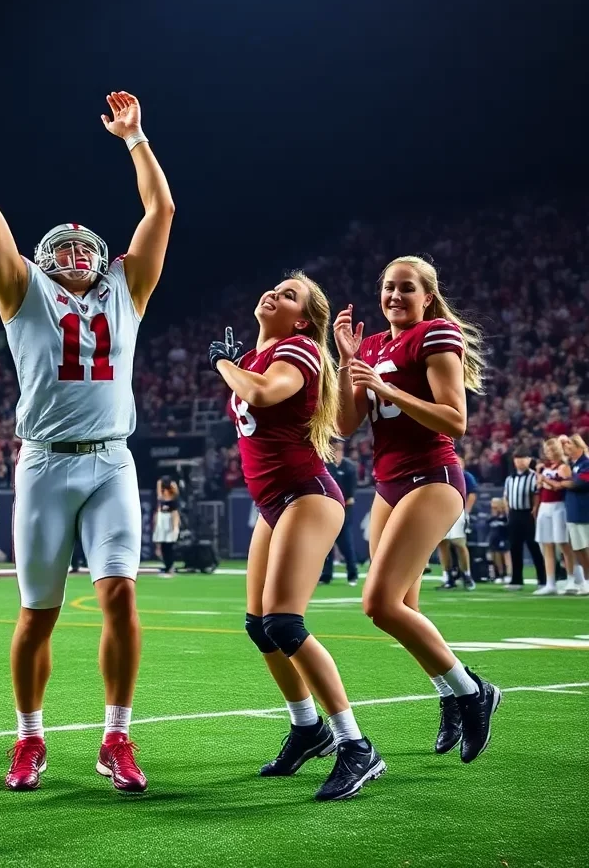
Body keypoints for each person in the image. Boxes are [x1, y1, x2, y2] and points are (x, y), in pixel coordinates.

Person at [0, 60, 174, 794]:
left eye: (86, 248)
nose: (77, 254)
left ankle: (116, 734)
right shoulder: (22, 290)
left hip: (113, 462)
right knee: (37, 614)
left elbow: (161, 214)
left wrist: (136, 140)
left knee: (120, 595)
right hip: (47, 464)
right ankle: (28, 739)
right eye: (63, 248)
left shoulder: (129, 286)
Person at [212, 274, 384, 802]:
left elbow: (262, 393)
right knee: (259, 627)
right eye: (275, 288)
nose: (274, 294)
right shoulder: (263, 356)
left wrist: (224, 364)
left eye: (290, 295)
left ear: (304, 318)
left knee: (284, 622)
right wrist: (239, 365)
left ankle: (356, 746)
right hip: (274, 501)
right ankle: (308, 729)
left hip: (306, 493)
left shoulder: (300, 347)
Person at [335, 256, 500, 765]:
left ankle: (472, 691)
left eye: (407, 288)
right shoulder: (373, 345)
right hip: (388, 485)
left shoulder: (436, 333)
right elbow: (344, 425)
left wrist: (387, 388)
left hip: (432, 476)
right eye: (388, 288)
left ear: (427, 296)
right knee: (403, 609)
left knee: (378, 603)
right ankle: (451, 693)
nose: (395, 296)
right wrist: (347, 362)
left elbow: (455, 419)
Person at [533, 438, 573, 595]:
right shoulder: (545, 467)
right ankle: (550, 582)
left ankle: (571, 578)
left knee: (563, 544)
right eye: (546, 450)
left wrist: (545, 478)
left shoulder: (563, 467)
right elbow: (539, 486)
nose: (548, 453)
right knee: (546, 544)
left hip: (558, 506)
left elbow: (561, 486)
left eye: (550, 450)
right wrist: (539, 477)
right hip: (545, 505)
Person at [502, 447, 544, 590]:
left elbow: (536, 494)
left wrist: (535, 510)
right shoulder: (509, 478)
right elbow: (506, 497)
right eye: (517, 458)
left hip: (528, 513)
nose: (520, 461)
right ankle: (516, 579)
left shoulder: (534, 476)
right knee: (515, 547)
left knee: (534, 546)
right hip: (514, 514)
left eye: (523, 458)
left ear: (529, 460)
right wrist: (509, 512)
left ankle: (543, 579)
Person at [319, 439, 358, 586]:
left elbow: (350, 497)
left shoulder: (349, 468)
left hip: (344, 510)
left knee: (346, 545)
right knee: (326, 546)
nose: (335, 454)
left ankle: (352, 574)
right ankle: (326, 575)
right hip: (328, 510)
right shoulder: (326, 467)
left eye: (337, 451)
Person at [436, 455, 478, 591]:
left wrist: (466, 511)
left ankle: (467, 574)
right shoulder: (440, 475)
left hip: (458, 511)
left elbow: (472, 494)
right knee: (442, 544)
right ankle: (448, 576)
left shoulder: (465, 476)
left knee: (459, 543)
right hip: (441, 511)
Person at [557, 433, 589, 594]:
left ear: (578, 447)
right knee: (577, 548)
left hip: (584, 511)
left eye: (569, 445)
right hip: (573, 510)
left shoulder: (586, 464)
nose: (567, 448)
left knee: (585, 547)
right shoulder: (574, 464)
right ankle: (586, 580)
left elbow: (580, 484)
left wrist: (564, 482)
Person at [152, 476, 180, 577]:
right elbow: (159, 490)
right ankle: (167, 566)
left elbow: (175, 513)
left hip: (169, 521)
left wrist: (175, 527)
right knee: (163, 546)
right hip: (162, 521)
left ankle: (170, 566)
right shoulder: (161, 498)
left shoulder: (173, 498)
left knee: (169, 547)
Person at [485, 498, 512, 584]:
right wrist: (494, 515)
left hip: (504, 538)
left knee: (506, 556)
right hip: (494, 539)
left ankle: (509, 574)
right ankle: (500, 575)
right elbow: (487, 524)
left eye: (495, 504)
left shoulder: (505, 517)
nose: (493, 505)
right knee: (496, 557)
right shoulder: (492, 517)